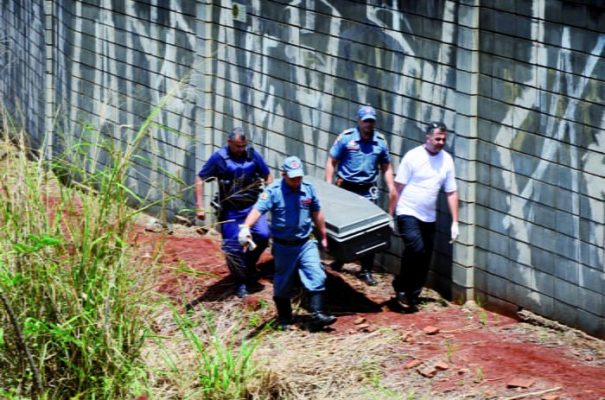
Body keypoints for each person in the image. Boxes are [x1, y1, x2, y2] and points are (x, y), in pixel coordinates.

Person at [239, 156, 336, 330]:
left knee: (317, 275)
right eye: (292, 178)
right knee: (283, 282)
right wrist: (246, 226)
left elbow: (317, 212)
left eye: (299, 177)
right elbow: (258, 209)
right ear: (283, 175)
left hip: (305, 243)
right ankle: (284, 318)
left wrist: (323, 235)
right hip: (284, 246)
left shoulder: (308, 189)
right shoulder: (273, 191)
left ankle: (318, 314)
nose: (296, 181)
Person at [195, 127, 272, 298]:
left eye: (243, 145)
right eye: (238, 146)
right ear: (229, 143)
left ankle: (249, 265)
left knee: (263, 235)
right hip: (231, 209)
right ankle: (240, 282)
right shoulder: (219, 158)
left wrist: (269, 197)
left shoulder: (253, 155)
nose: (241, 149)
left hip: (253, 207)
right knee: (232, 248)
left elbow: (268, 177)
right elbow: (200, 178)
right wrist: (199, 206)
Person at [325, 105, 397, 286]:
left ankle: (366, 270)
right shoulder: (346, 138)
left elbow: (386, 166)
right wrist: (328, 187)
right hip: (345, 188)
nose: (368, 124)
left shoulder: (380, 142)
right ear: (358, 121)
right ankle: (340, 260)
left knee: (369, 230)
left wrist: (391, 185)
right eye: (365, 121)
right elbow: (331, 160)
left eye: (371, 121)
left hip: (367, 189)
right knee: (342, 227)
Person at [391, 121, 459, 310]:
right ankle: (401, 287)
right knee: (416, 248)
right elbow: (398, 187)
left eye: (444, 139)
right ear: (427, 137)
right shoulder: (413, 157)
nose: (440, 142)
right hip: (408, 211)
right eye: (437, 138)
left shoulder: (447, 160)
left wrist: (455, 222)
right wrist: (390, 214)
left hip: (429, 216)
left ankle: (412, 294)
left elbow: (451, 192)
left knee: (425, 256)